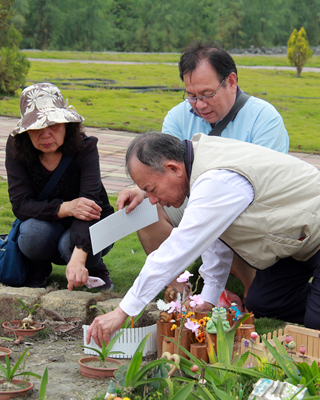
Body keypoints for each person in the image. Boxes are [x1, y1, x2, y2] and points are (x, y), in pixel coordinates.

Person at [87, 132, 320, 347]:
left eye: (151, 190)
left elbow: (177, 250)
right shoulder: (197, 173)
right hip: (296, 237)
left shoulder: (215, 179)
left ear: (173, 168)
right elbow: (214, 238)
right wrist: (210, 296)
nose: (153, 200)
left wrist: (123, 312)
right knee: (264, 302)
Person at [117, 42, 290, 297]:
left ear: (231, 81)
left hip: (246, 209)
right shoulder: (177, 117)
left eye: (207, 94)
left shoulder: (264, 119)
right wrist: (142, 190)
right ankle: (177, 288)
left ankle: (252, 292)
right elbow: (164, 173)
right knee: (144, 210)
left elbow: (269, 188)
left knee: (223, 214)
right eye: (191, 95)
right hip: (192, 200)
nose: (198, 105)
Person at [6, 82, 115, 290]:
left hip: (92, 223)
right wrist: (66, 207)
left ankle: (95, 267)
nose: (45, 134)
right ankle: (39, 266)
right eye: (37, 127)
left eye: (54, 125)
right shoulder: (16, 148)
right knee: (30, 233)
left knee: (70, 245)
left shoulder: (86, 148)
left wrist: (79, 255)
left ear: (66, 125)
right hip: (46, 224)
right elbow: (20, 205)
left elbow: (90, 205)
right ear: (26, 130)